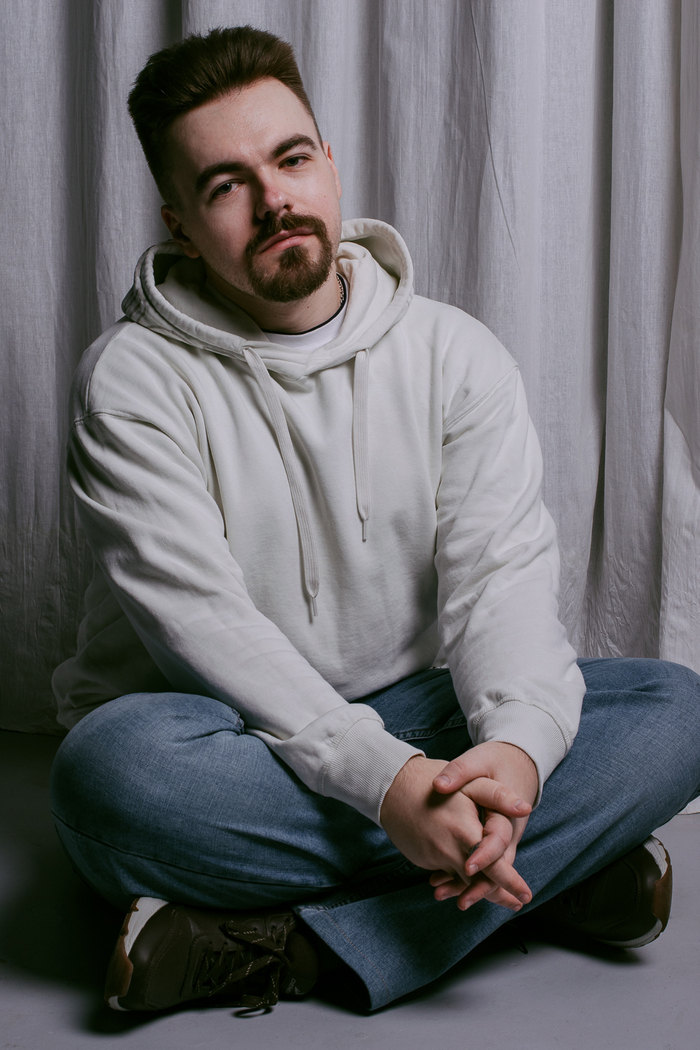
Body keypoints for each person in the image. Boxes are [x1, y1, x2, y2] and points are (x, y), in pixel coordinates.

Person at [50, 25, 700, 1015]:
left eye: (290, 159)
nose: (274, 199)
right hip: (225, 735)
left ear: (329, 162)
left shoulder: (455, 355)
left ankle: (298, 949)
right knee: (107, 776)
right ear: (180, 225)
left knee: (675, 710)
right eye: (226, 186)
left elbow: (499, 589)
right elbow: (207, 629)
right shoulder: (132, 381)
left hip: (421, 717)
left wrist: (513, 755)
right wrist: (389, 787)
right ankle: (548, 873)